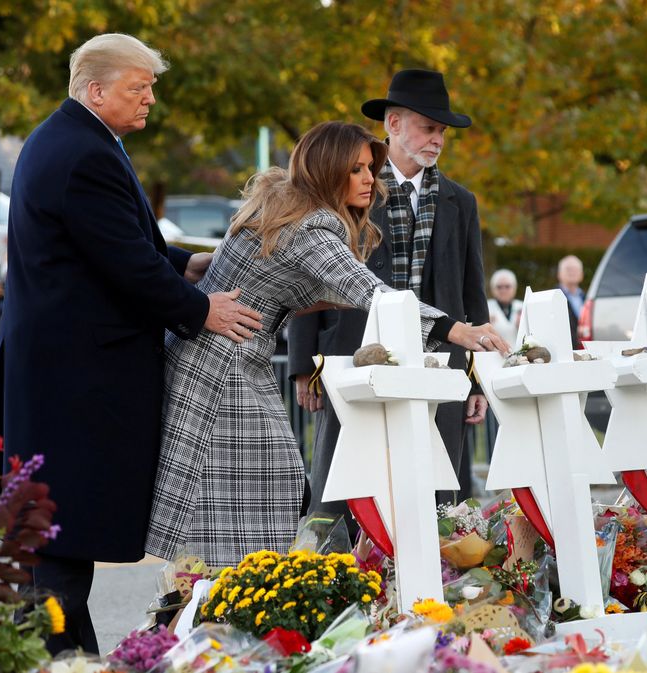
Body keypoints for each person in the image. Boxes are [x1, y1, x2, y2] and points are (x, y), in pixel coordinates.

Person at [0, 33, 262, 655]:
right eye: (137, 88)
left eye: (150, 87)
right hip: (78, 380)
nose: (149, 100)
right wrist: (201, 309)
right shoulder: (83, 153)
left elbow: (115, 242)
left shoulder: (73, 141)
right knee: (61, 532)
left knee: (60, 531)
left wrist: (184, 262)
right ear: (96, 90)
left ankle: (68, 656)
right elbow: (123, 262)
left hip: (63, 373)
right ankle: (63, 658)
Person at [146, 121, 506, 567]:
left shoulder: (288, 207)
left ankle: (219, 606)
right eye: (356, 170)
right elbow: (370, 292)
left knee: (250, 500)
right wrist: (456, 330)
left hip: (224, 359)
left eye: (370, 168)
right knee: (260, 495)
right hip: (220, 368)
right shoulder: (312, 229)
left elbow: (301, 287)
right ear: (327, 169)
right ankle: (223, 610)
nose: (370, 179)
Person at [287, 69, 493, 528]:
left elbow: (471, 295)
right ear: (393, 124)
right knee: (345, 489)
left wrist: (476, 379)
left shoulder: (461, 201)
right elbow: (308, 277)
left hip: (438, 365)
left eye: (441, 131)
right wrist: (305, 366)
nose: (437, 139)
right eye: (428, 127)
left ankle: (434, 591)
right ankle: (343, 582)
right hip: (352, 357)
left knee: (436, 495)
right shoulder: (348, 186)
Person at [487, 269, 522, 347]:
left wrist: (524, 325)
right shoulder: (486, 307)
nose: (503, 290)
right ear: (493, 289)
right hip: (494, 355)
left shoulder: (523, 306)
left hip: (521, 355)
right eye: (499, 287)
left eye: (507, 286)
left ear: (514, 288)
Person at [557, 254, 585, 349]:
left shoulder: (587, 298)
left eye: (575, 269)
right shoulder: (552, 297)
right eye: (568, 269)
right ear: (559, 274)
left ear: (581, 275)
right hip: (564, 350)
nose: (572, 272)